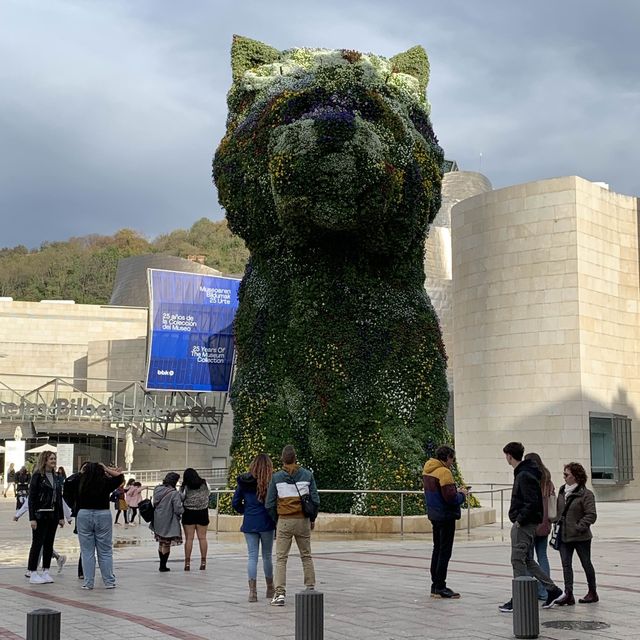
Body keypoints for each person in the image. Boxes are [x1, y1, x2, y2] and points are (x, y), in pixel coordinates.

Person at [499, 442, 563, 613]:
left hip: (524, 524)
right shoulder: (527, 472)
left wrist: (519, 520)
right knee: (528, 559)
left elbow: (531, 502)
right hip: (527, 523)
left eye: (506, 455)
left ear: (509, 456)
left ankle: (519, 597)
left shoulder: (524, 475)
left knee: (517, 559)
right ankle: (552, 589)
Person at [265, 445, 319, 607]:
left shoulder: (276, 478)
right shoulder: (308, 475)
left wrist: (277, 520)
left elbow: (269, 503)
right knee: (306, 555)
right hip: (302, 520)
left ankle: (279, 594)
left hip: (284, 520)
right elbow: (315, 500)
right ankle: (310, 587)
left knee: (281, 558)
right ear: (295, 458)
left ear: (282, 459)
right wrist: (312, 518)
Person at [66, 462, 124, 590]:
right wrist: (106, 468)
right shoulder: (105, 482)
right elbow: (120, 477)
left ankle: (88, 582)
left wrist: (81, 472)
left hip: (84, 514)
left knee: (87, 551)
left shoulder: (80, 480)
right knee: (105, 551)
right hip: (103, 514)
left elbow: (67, 482)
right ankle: (109, 581)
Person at [422, 445, 469, 599]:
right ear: (447, 457)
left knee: (437, 549)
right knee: (445, 552)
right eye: (452, 459)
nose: (452, 462)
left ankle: (435, 585)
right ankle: (440, 586)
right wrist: (462, 494)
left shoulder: (428, 469)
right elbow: (450, 498)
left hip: (434, 515)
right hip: (446, 516)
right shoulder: (444, 472)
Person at [552, 462, 598, 606]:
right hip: (564, 536)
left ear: (576, 477)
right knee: (566, 565)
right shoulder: (561, 491)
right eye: (564, 474)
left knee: (586, 563)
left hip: (581, 537)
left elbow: (591, 515)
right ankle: (568, 594)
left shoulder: (586, 494)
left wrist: (579, 526)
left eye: (567, 475)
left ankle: (592, 592)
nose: (564, 477)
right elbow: (558, 512)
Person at [232, 454, 276, 602]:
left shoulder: (244, 481)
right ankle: (270, 588)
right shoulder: (271, 481)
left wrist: (246, 510)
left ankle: (253, 592)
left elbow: (236, 502)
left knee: (252, 556)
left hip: (250, 522)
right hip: (267, 522)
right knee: (267, 555)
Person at [26, 451, 64, 584]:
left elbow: (59, 497)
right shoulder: (37, 476)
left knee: (49, 543)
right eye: (51, 459)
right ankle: (32, 571)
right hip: (40, 513)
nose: (53, 461)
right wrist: (32, 518)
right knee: (37, 543)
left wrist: (61, 516)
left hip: (52, 514)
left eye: (54, 458)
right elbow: (31, 498)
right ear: (45, 460)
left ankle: (46, 570)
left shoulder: (56, 475)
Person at [523, 452, 555, 600]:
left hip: (531, 523)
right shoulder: (548, 481)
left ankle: (531, 589)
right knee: (542, 555)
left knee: (528, 558)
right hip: (545, 524)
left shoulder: (529, 479)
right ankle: (545, 590)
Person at [14, 497, 67, 576]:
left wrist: (64, 517)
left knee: (41, 544)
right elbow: (29, 501)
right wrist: (19, 515)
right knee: (41, 544)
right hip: (39, 517)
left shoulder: (54, 486)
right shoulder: (38, 486)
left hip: (48, 518)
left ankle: (33, 569)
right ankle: (57, 558)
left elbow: (60, 501)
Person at [152, 472, 184, 572]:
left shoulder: (157, 489)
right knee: (166, 543)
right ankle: (163, 566)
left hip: (157, 519)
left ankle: (162, 564)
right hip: (168, 521)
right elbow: (178, 509)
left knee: (161, 543)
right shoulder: (173, 493)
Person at [180, 468, 210, 571]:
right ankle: (203, 561)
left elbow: (182, 497)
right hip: (202, 512)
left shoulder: (185, 486)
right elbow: (208, 493)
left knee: (189, 539)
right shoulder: (205, 483)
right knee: (202, 538)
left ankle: (187, 563)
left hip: (189, 513)